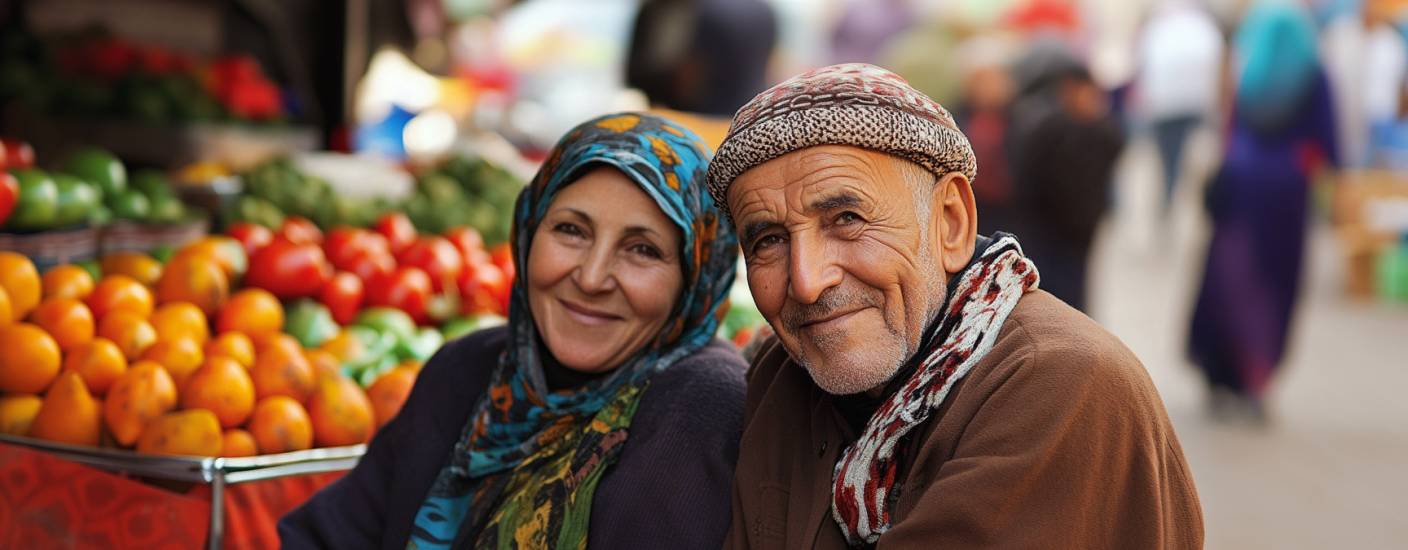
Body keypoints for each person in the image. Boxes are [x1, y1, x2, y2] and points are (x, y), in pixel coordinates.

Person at [707, 63, 1202, 548]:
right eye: (769, 241)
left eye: (847, 218)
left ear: (950, 222)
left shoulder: (1062, 384)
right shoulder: (781, 377)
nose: (807, 282)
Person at [279, 113, 745, 549]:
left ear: (696, 275)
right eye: (571, 230)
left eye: (642, 249)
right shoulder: (468, 368)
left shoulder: (702, 409)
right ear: (528, 230)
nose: (591, 278)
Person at [1189, 0, 1338, 424]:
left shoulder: (1248, 70)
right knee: (1274, 284)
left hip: (1239, 184)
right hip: (1287, 193)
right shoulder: (1313, 74)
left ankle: (1219, 372)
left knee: (1229, 276)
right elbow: (1329, 140)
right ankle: (1256, 374)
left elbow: (1228, 129)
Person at [1008, 41, 1126, 312]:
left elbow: (1114, 149)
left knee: (1075, 290)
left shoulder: (1098, 126)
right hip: (1049, 227)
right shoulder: (1048, 126)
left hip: (1079, 228)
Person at [1136, 0, 1225, 215]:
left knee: (1170, 161)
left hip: (1166, 104)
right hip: (1193, 103)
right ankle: (1184, 201)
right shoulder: (1203, 25)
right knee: (1189, 159)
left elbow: (1142, 62)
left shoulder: (1160, 24)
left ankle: (1169, 199)